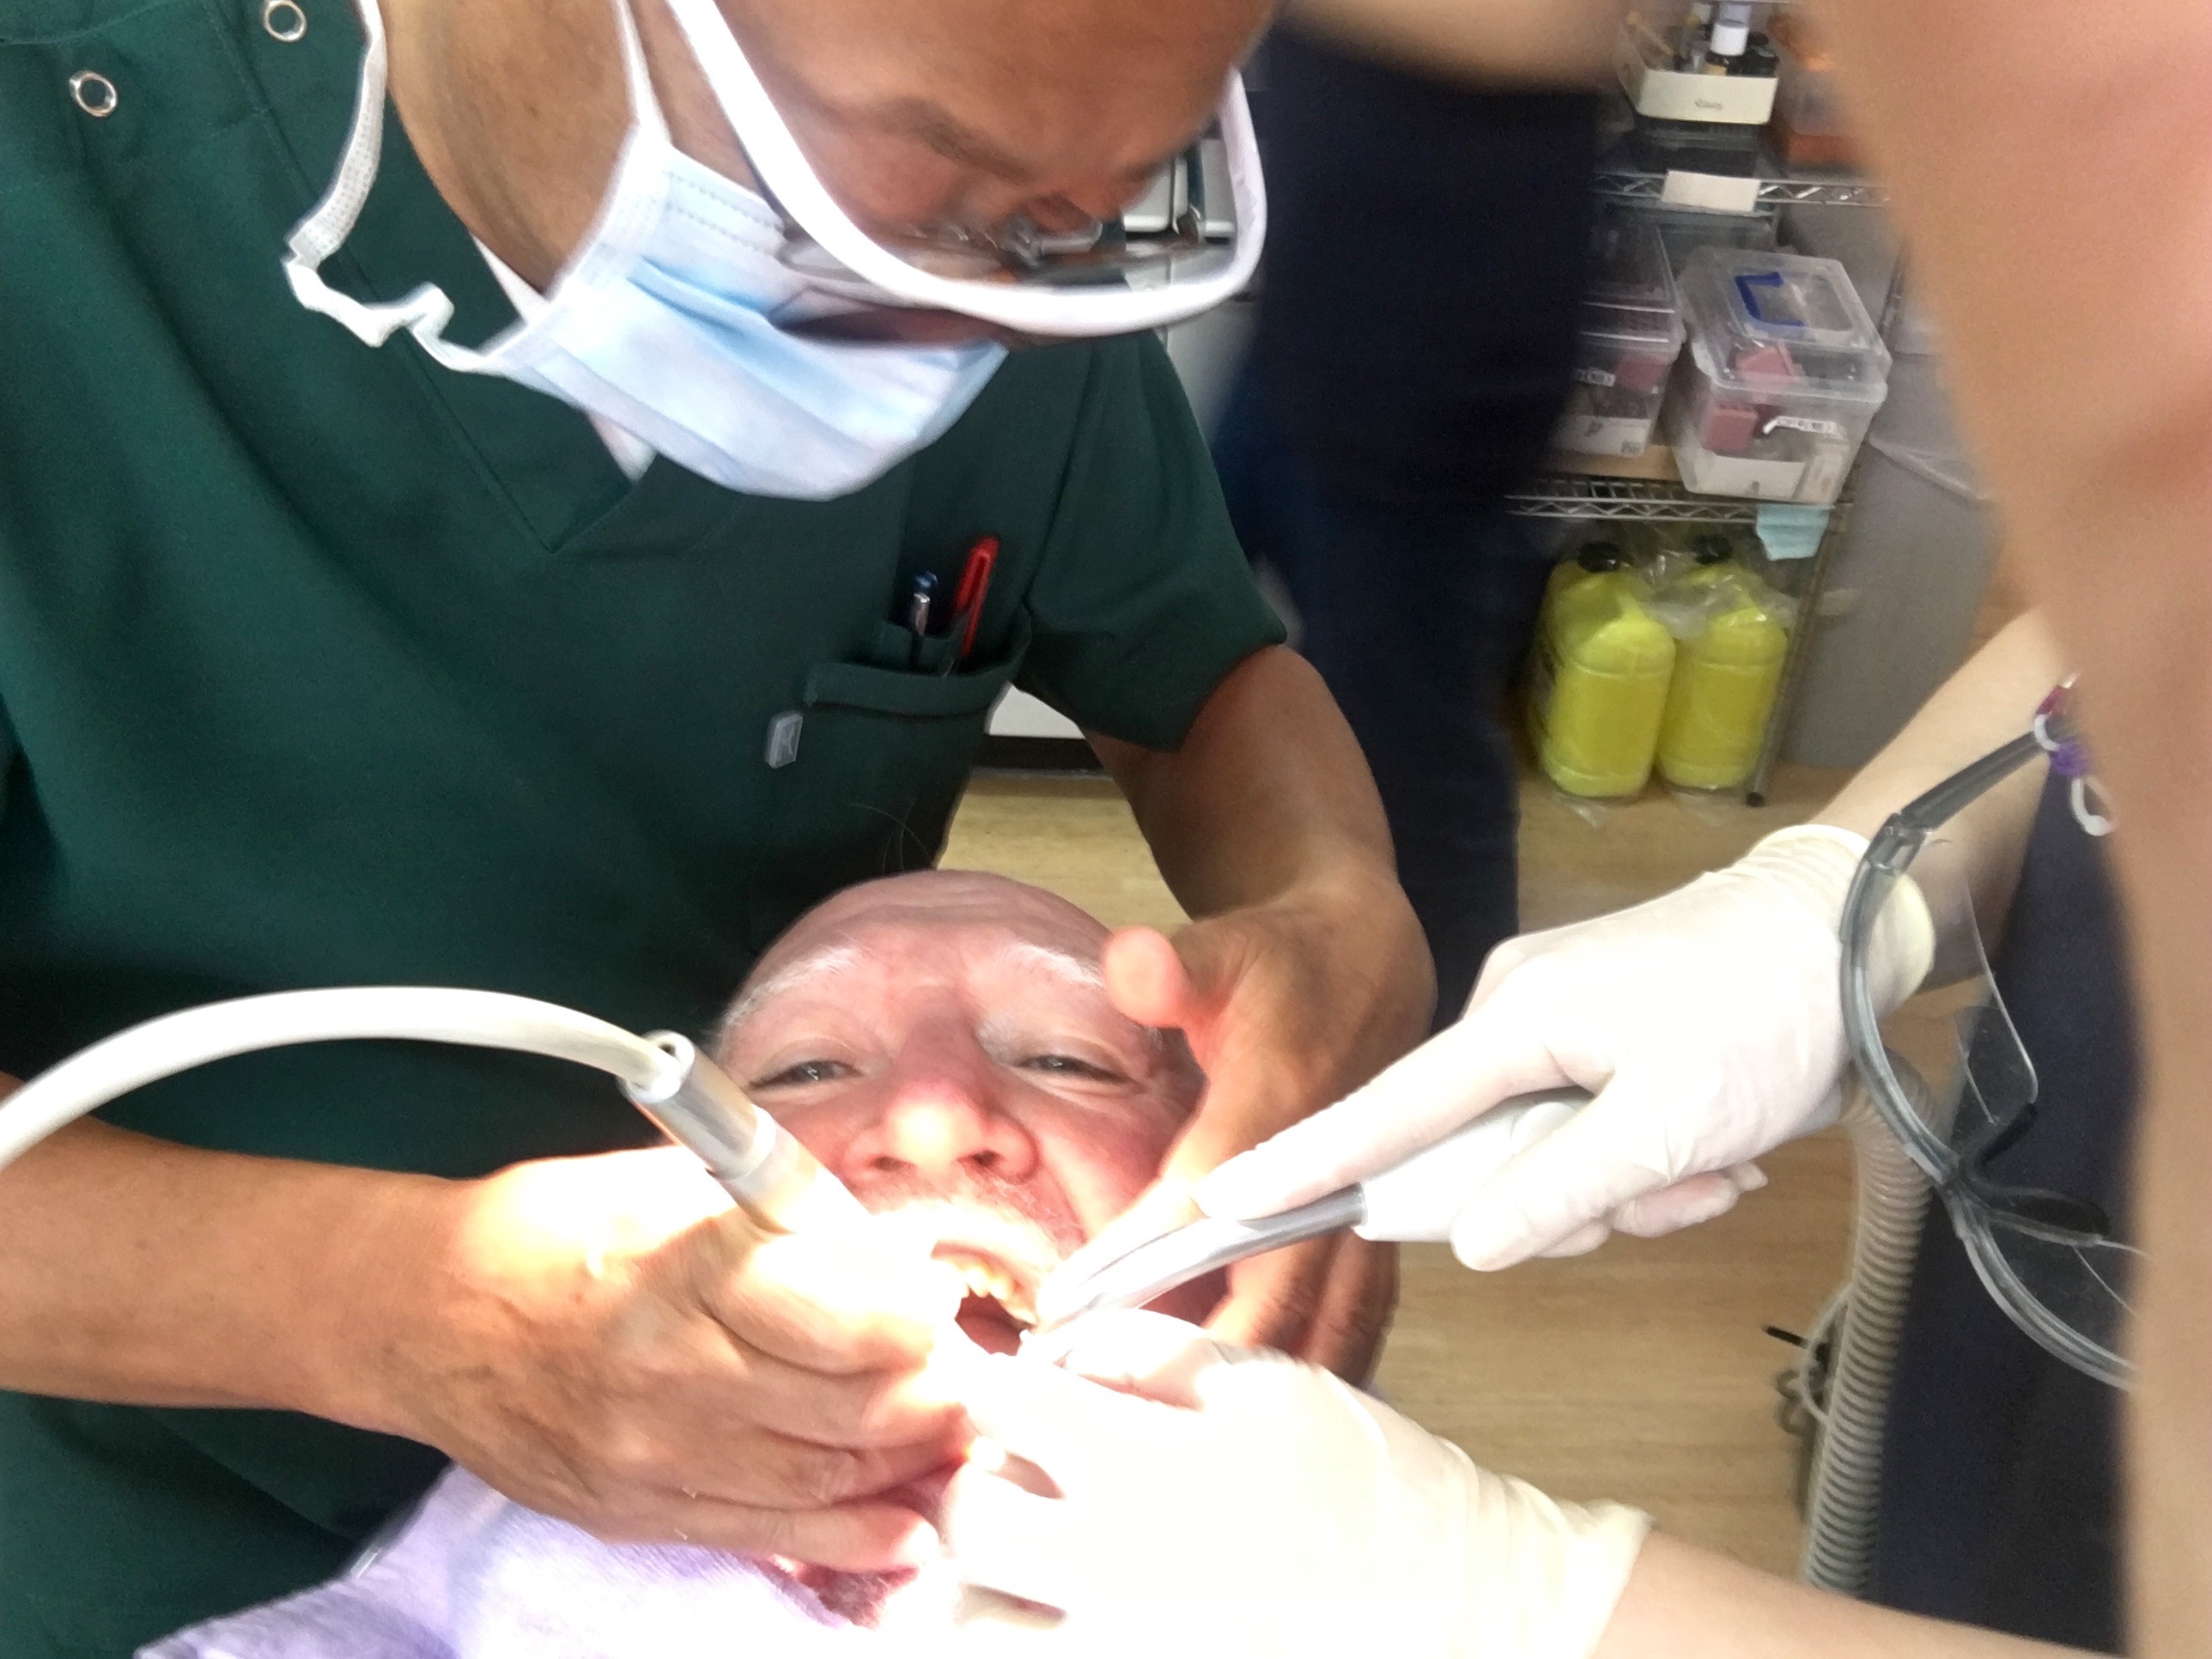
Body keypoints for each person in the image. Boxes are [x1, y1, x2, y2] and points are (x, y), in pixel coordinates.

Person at [0, 0, 1434, 1649]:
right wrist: (401, 1304)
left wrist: (1334, 895)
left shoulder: (1012, 209)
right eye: (927, 198)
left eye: (1090, 212)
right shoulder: (58, 246)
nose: (991, 307)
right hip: (168, 1512)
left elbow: (1197, 673)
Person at [933, 613, 2131, 1657]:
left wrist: (1528, 1606)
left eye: (1059, 1058)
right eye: (831, 1066)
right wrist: (1835, 898)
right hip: (2036, 1294)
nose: (934, 1116)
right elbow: (2106, 637)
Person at [143, 869, 1222, 1653]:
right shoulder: (474, 1572)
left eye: (1065, 1059)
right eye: (808, 1068)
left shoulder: (1310, 1538)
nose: (932, 1114)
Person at [1211, 6, 1607, 1024]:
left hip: (1427, 359)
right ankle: (1281, 944)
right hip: (1318, 314)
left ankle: (1456, 1047)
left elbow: (1547, 28)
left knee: (1414, 764)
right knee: (1186, 617)